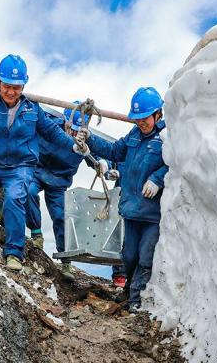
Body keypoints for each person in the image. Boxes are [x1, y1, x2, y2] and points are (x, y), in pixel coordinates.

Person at [0, 54, 83, 271]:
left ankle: (14, 253)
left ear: (23, 86)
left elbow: (51, 131)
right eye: (7, 86)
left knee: (16, 196)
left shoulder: (32, 109)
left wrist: (72, 145)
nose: (11, 92)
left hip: (21, 167)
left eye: (17, 87)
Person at [0, 102, 108, 281]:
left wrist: (104, 163)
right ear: (64, 120)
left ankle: (66, 260)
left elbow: (99, 155)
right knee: (27, 191)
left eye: (77, 130)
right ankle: (36, 233)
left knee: (60, 215)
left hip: (59, 181)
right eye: (70, 128)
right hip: (36, 170)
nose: (73, 133)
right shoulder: (48, 124)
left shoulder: (85, 139)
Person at [75, 87, 167, 311]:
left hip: (152, 213)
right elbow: (114, 151)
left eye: (144, 118)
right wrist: (91, 141)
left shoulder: (167, 138)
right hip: (131, 209)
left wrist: (157, 178)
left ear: (158, 114)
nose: (140, 123)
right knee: (129, 256)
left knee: (146, 256)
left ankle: (136, 302)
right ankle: (128, 293)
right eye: (137, 119)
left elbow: (177, 163)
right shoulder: (134, 136)